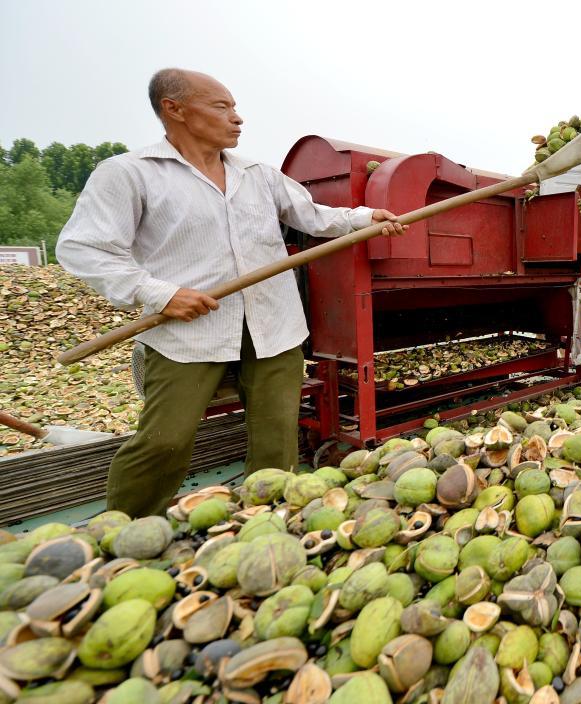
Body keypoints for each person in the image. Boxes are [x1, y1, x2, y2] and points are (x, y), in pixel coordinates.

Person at [57, 68, 407, 518]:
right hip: (188, 332)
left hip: (273, 325)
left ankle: (267, 520)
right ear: (175, 109)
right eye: (222, 107)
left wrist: (365, 219)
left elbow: (314, 216)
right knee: (165, 439)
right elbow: (84, 247)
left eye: (235, 107)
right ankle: (123, 531)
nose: (237, 118)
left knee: (276, 435)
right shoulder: (129, 174)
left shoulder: (258, 174)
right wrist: (159, 293)